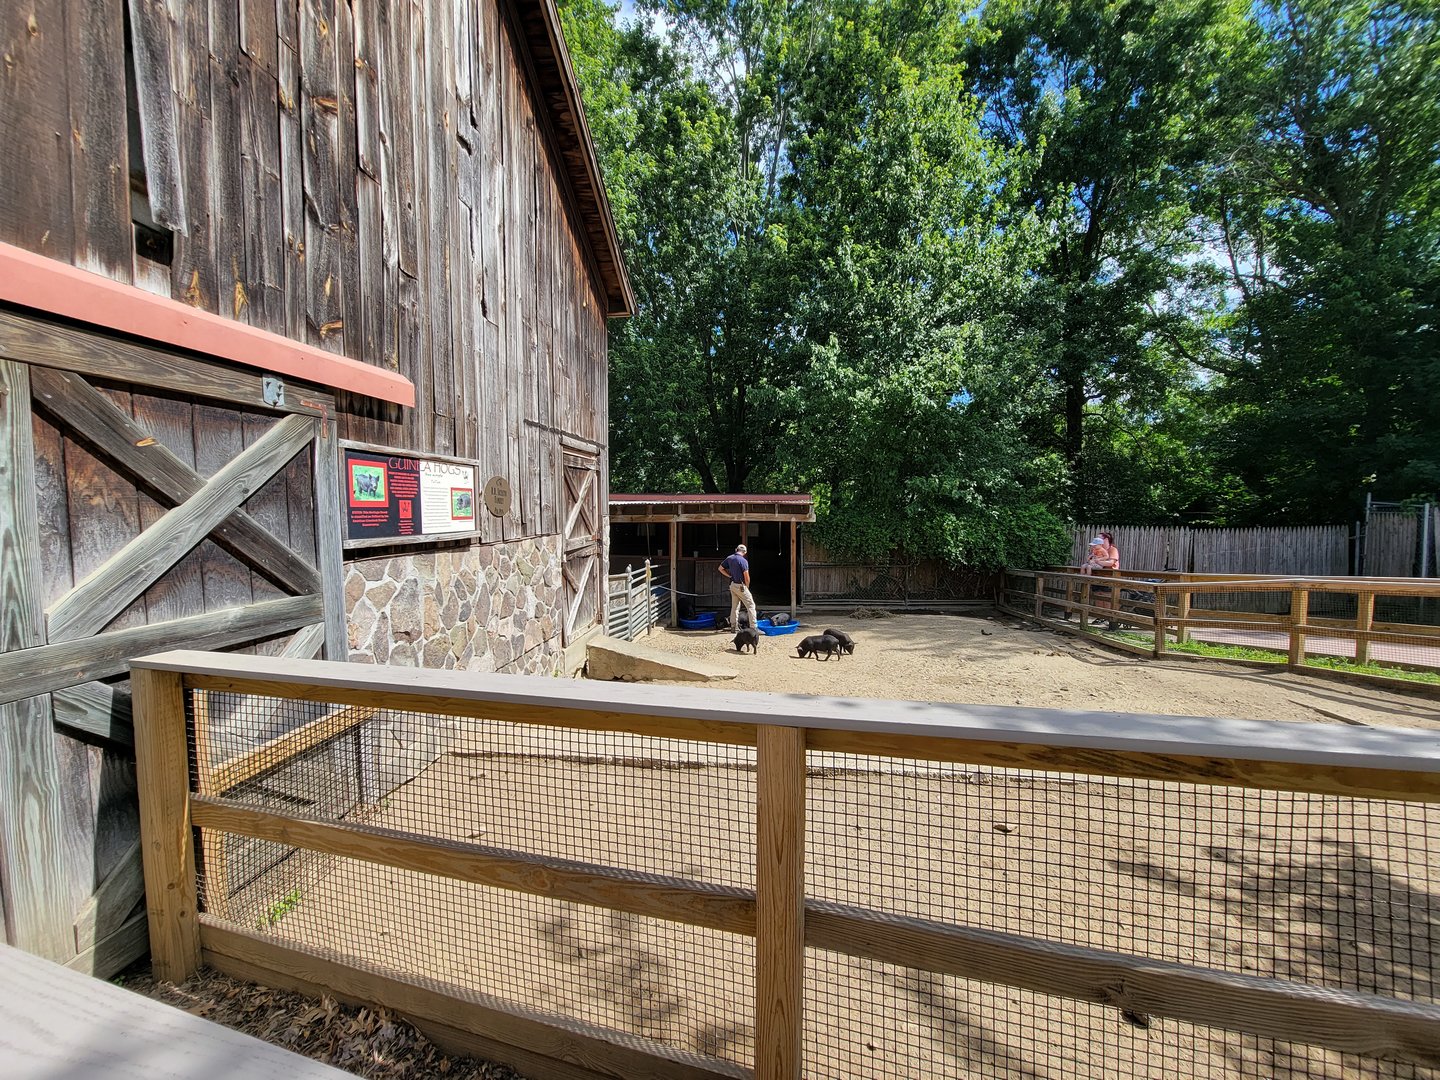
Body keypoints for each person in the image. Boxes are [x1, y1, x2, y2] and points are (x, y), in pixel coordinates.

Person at [718, 543, 758, 634]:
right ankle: (754, 628)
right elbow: (746, 577)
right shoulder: (743, 561)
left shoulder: (730, 558)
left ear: (736, 550)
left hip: (733, 585)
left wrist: (729, 576)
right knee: (751, 605)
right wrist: (746, 587)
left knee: (735, 606)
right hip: (741, 585)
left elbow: (720, 568)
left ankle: (734, 627)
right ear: (745, 552)